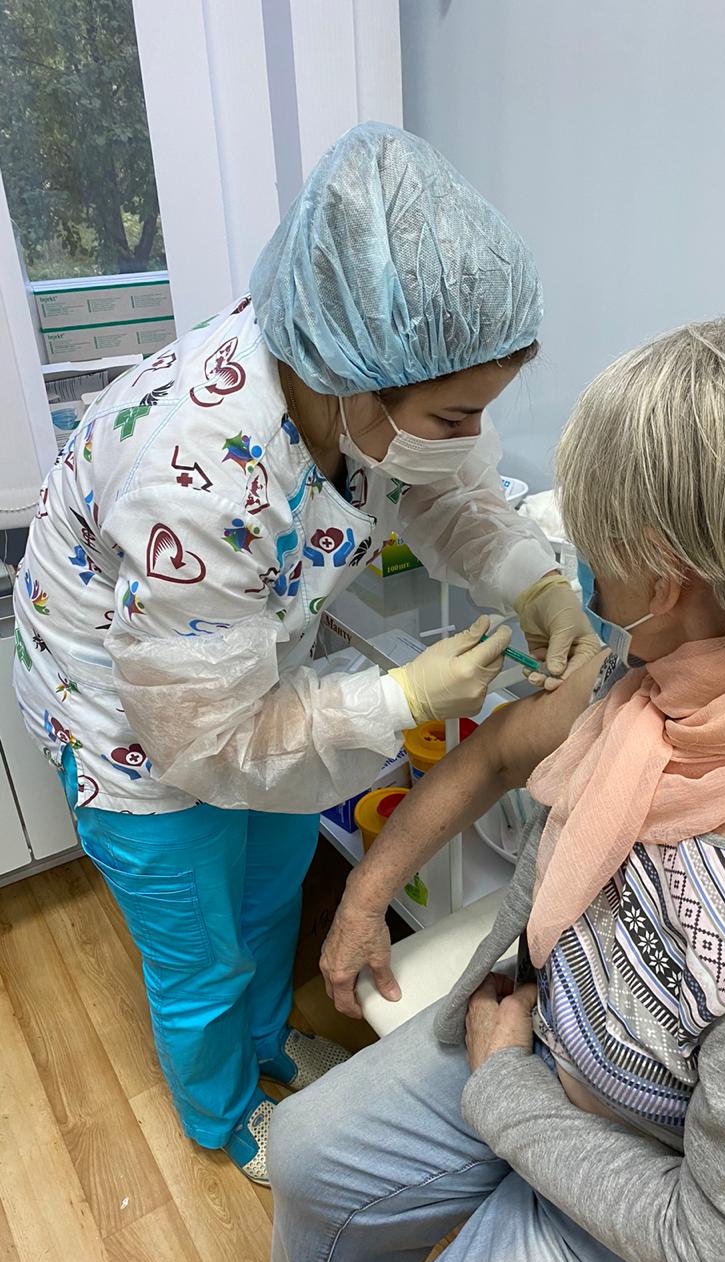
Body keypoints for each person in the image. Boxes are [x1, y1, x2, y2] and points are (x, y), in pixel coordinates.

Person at [271, 317, 725, 1262]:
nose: (582, 572)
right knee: (306, 1152)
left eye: (593, 549)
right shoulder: (682, 664)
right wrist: (362, 897)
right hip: (563, 1035)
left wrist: (506, 1093)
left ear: (669, 576)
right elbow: (501, 752)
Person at [11, 122, 598, 1183]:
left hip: (243, 662)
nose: (470, 438)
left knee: (271, 889)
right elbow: (200, 738)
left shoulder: (347, 369)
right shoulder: (195, 481)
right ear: (352, 381)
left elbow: (440, 485)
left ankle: (267, 1042)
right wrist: (400, 698)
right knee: (202, 952)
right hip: (129, 718)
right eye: (454, 415)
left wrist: (532, 577)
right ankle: (224, 1116)